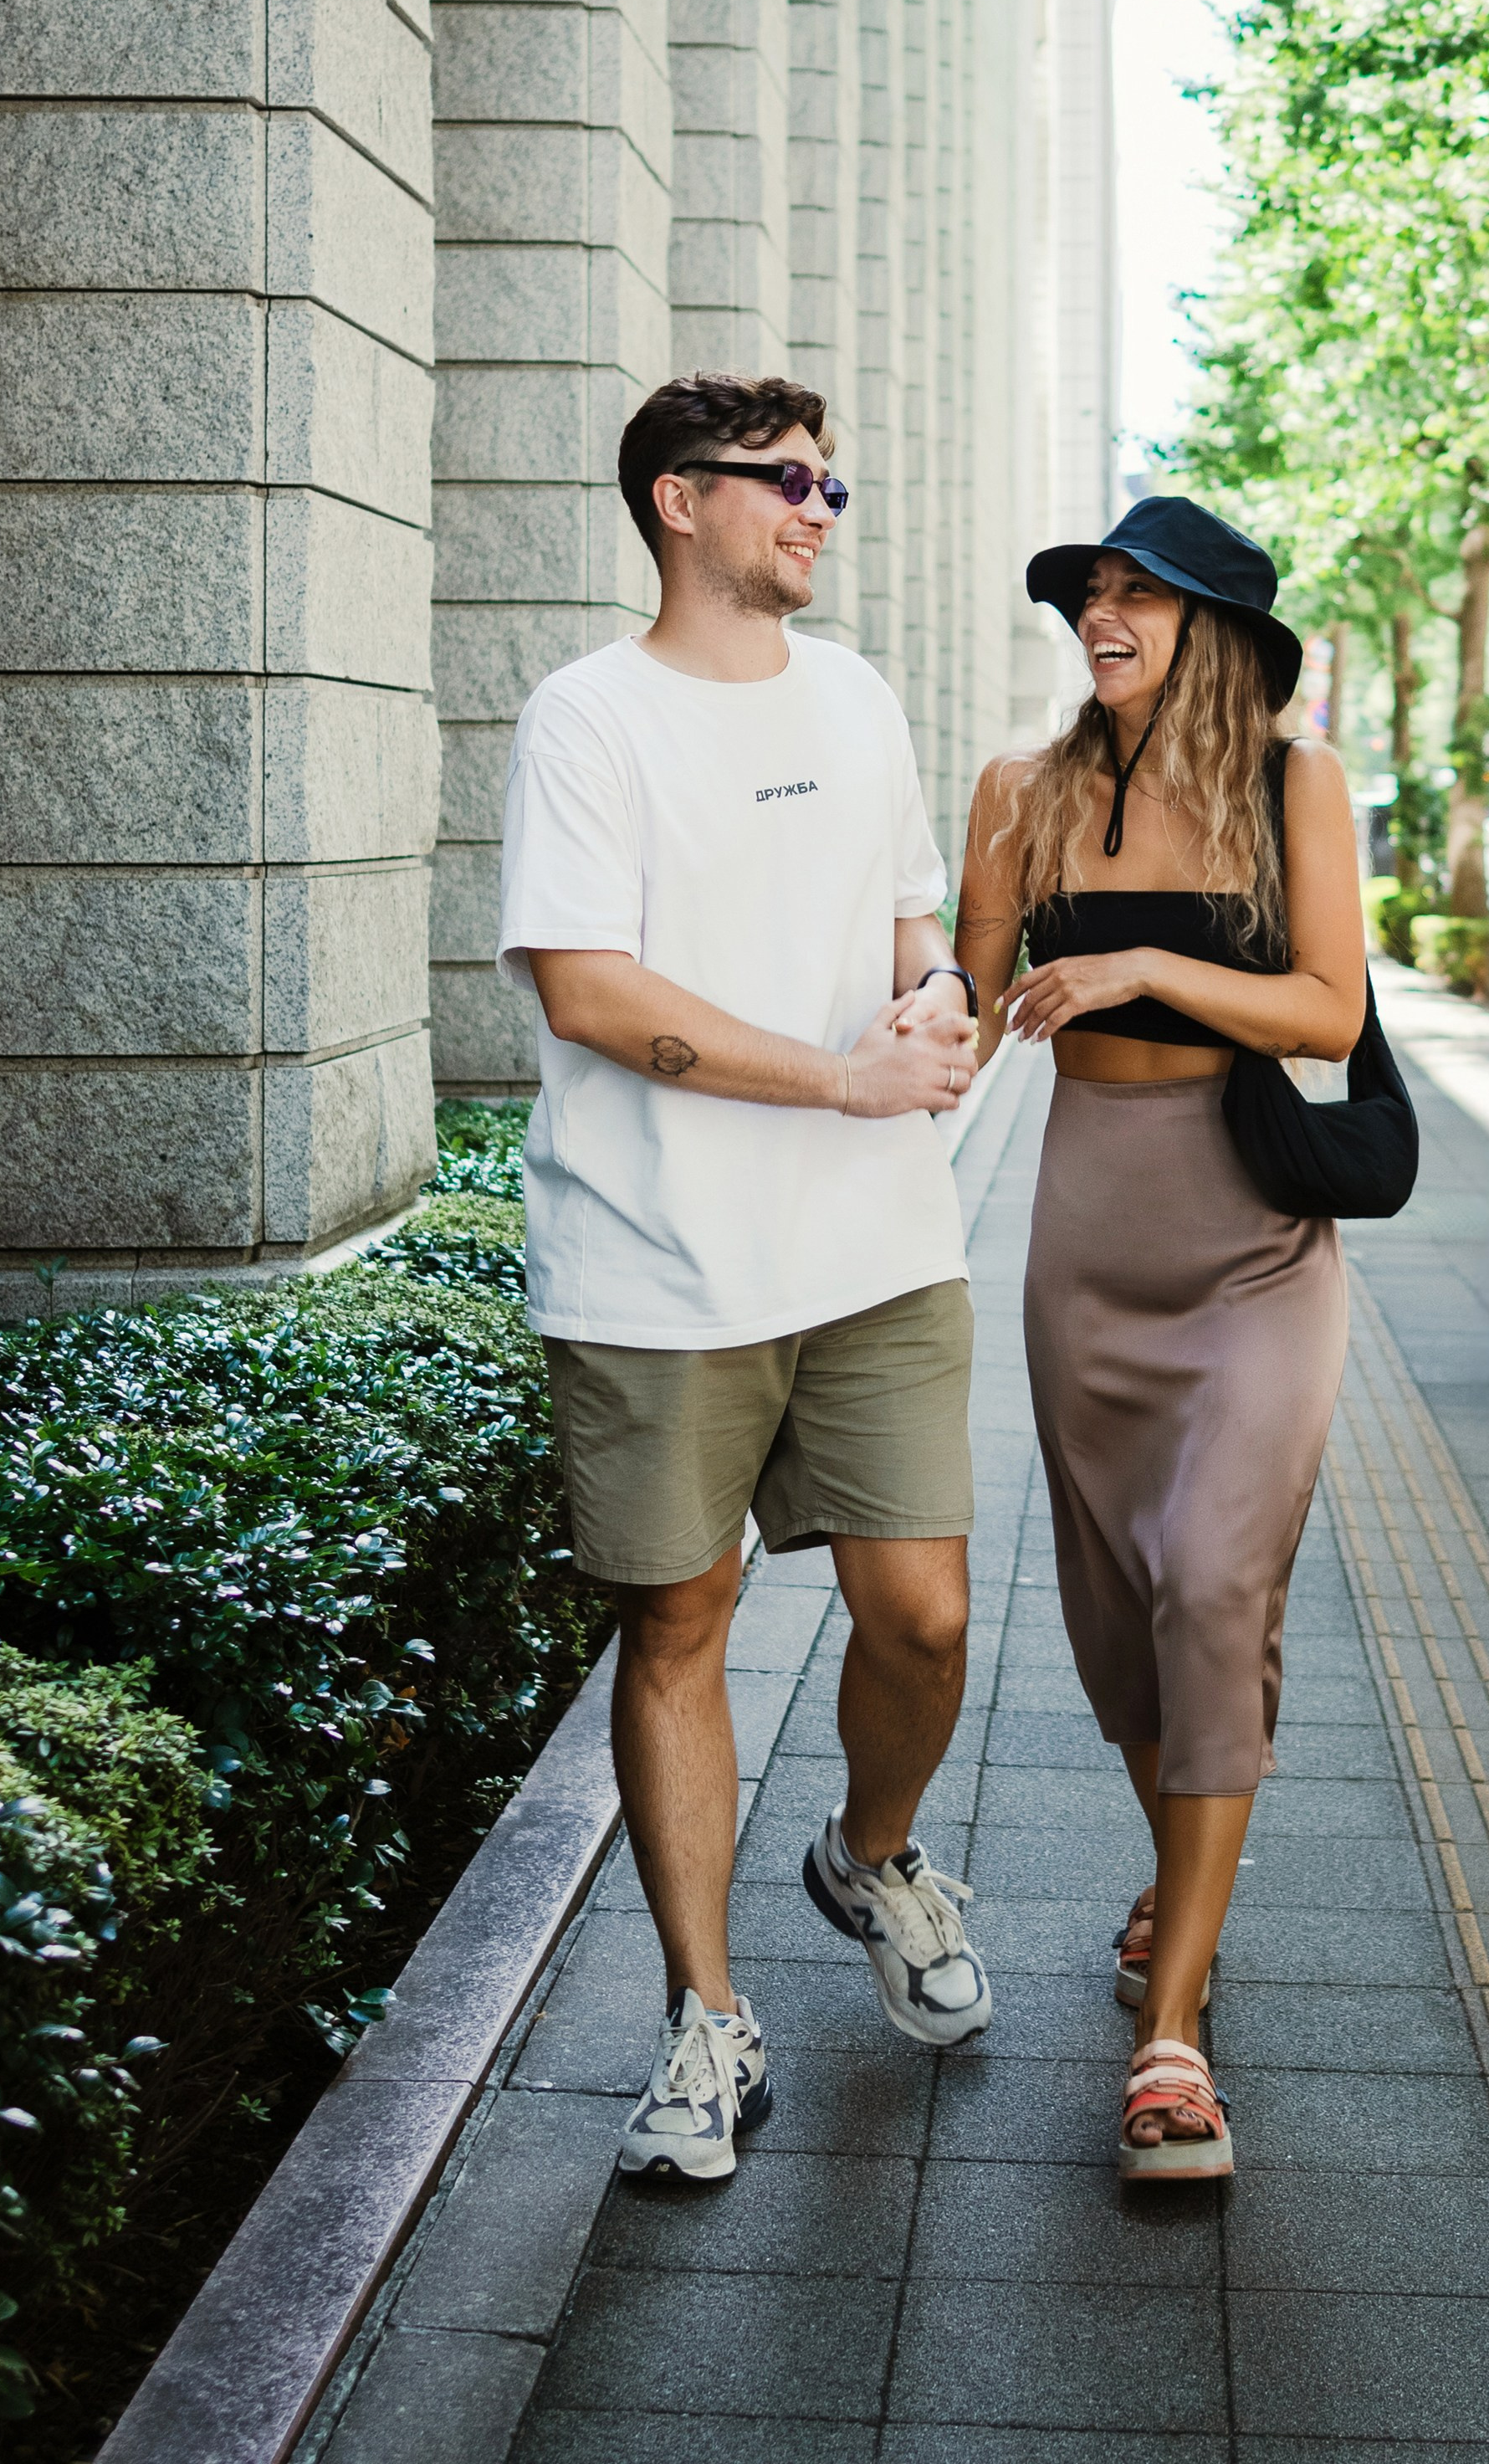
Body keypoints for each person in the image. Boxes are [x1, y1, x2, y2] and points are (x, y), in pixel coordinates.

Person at [496, 371, 995, 2185]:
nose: (819, 505)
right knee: (680, 1622)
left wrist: (929, 996)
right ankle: (706, 2021)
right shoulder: (588, 717)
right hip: (654, 1261)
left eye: (832, 481)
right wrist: (841, 1074)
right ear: (675, 503)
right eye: (785, 480)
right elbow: (588, 992)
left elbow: (905, 916)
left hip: (869, 1242)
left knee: (923, 1613)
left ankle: (870, 1854)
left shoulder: (854, 696)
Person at [955, 496, 1364, 2180]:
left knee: (1212, 1581)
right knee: (1122, 1617)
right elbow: (967, 1012)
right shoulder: (1018, 790)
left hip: (1251, 1239)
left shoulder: (1291, 785)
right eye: (1090, 592)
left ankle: (1172, 2027)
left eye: (1135, 594)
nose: (1099, 614)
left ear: (1215, 631)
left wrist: (1138, 964)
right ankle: (1178, 1869)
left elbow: (1325, 1008)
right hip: (1083, 1243)